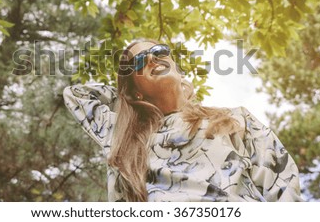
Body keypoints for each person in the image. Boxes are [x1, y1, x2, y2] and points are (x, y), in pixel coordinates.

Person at [63, 39, 303, 202]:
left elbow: (282, 183)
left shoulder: (233, 119)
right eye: (139, 62)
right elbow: (77, 95)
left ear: (178, 69)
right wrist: (126, 96)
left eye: (158, 52)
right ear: (135, 91)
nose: (151, 60)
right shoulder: (125, 135)